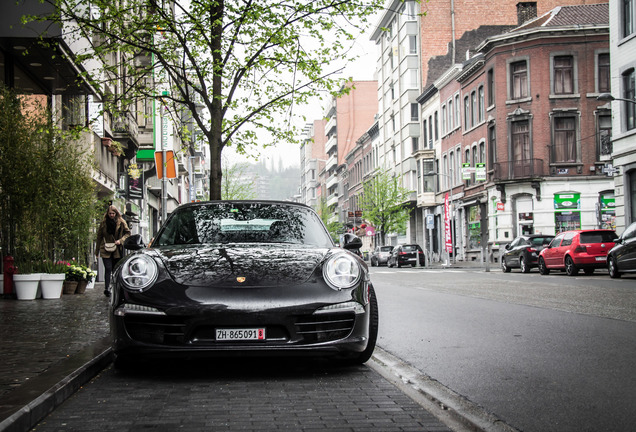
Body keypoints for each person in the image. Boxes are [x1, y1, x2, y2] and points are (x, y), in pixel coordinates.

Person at [96, 205, 131, 297]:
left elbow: (128, 233)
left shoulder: (121, 222)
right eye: (110, 213)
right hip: (105, 248)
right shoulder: (103, 223)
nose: (111, 215)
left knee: (115, 269)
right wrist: (97, 251)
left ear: (116, 213)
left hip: (117, 249)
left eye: (113, 213)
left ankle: (116, 287)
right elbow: (99, 236)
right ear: (107, 214)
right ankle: (107, 288)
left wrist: (121, 240)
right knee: (108, 268)